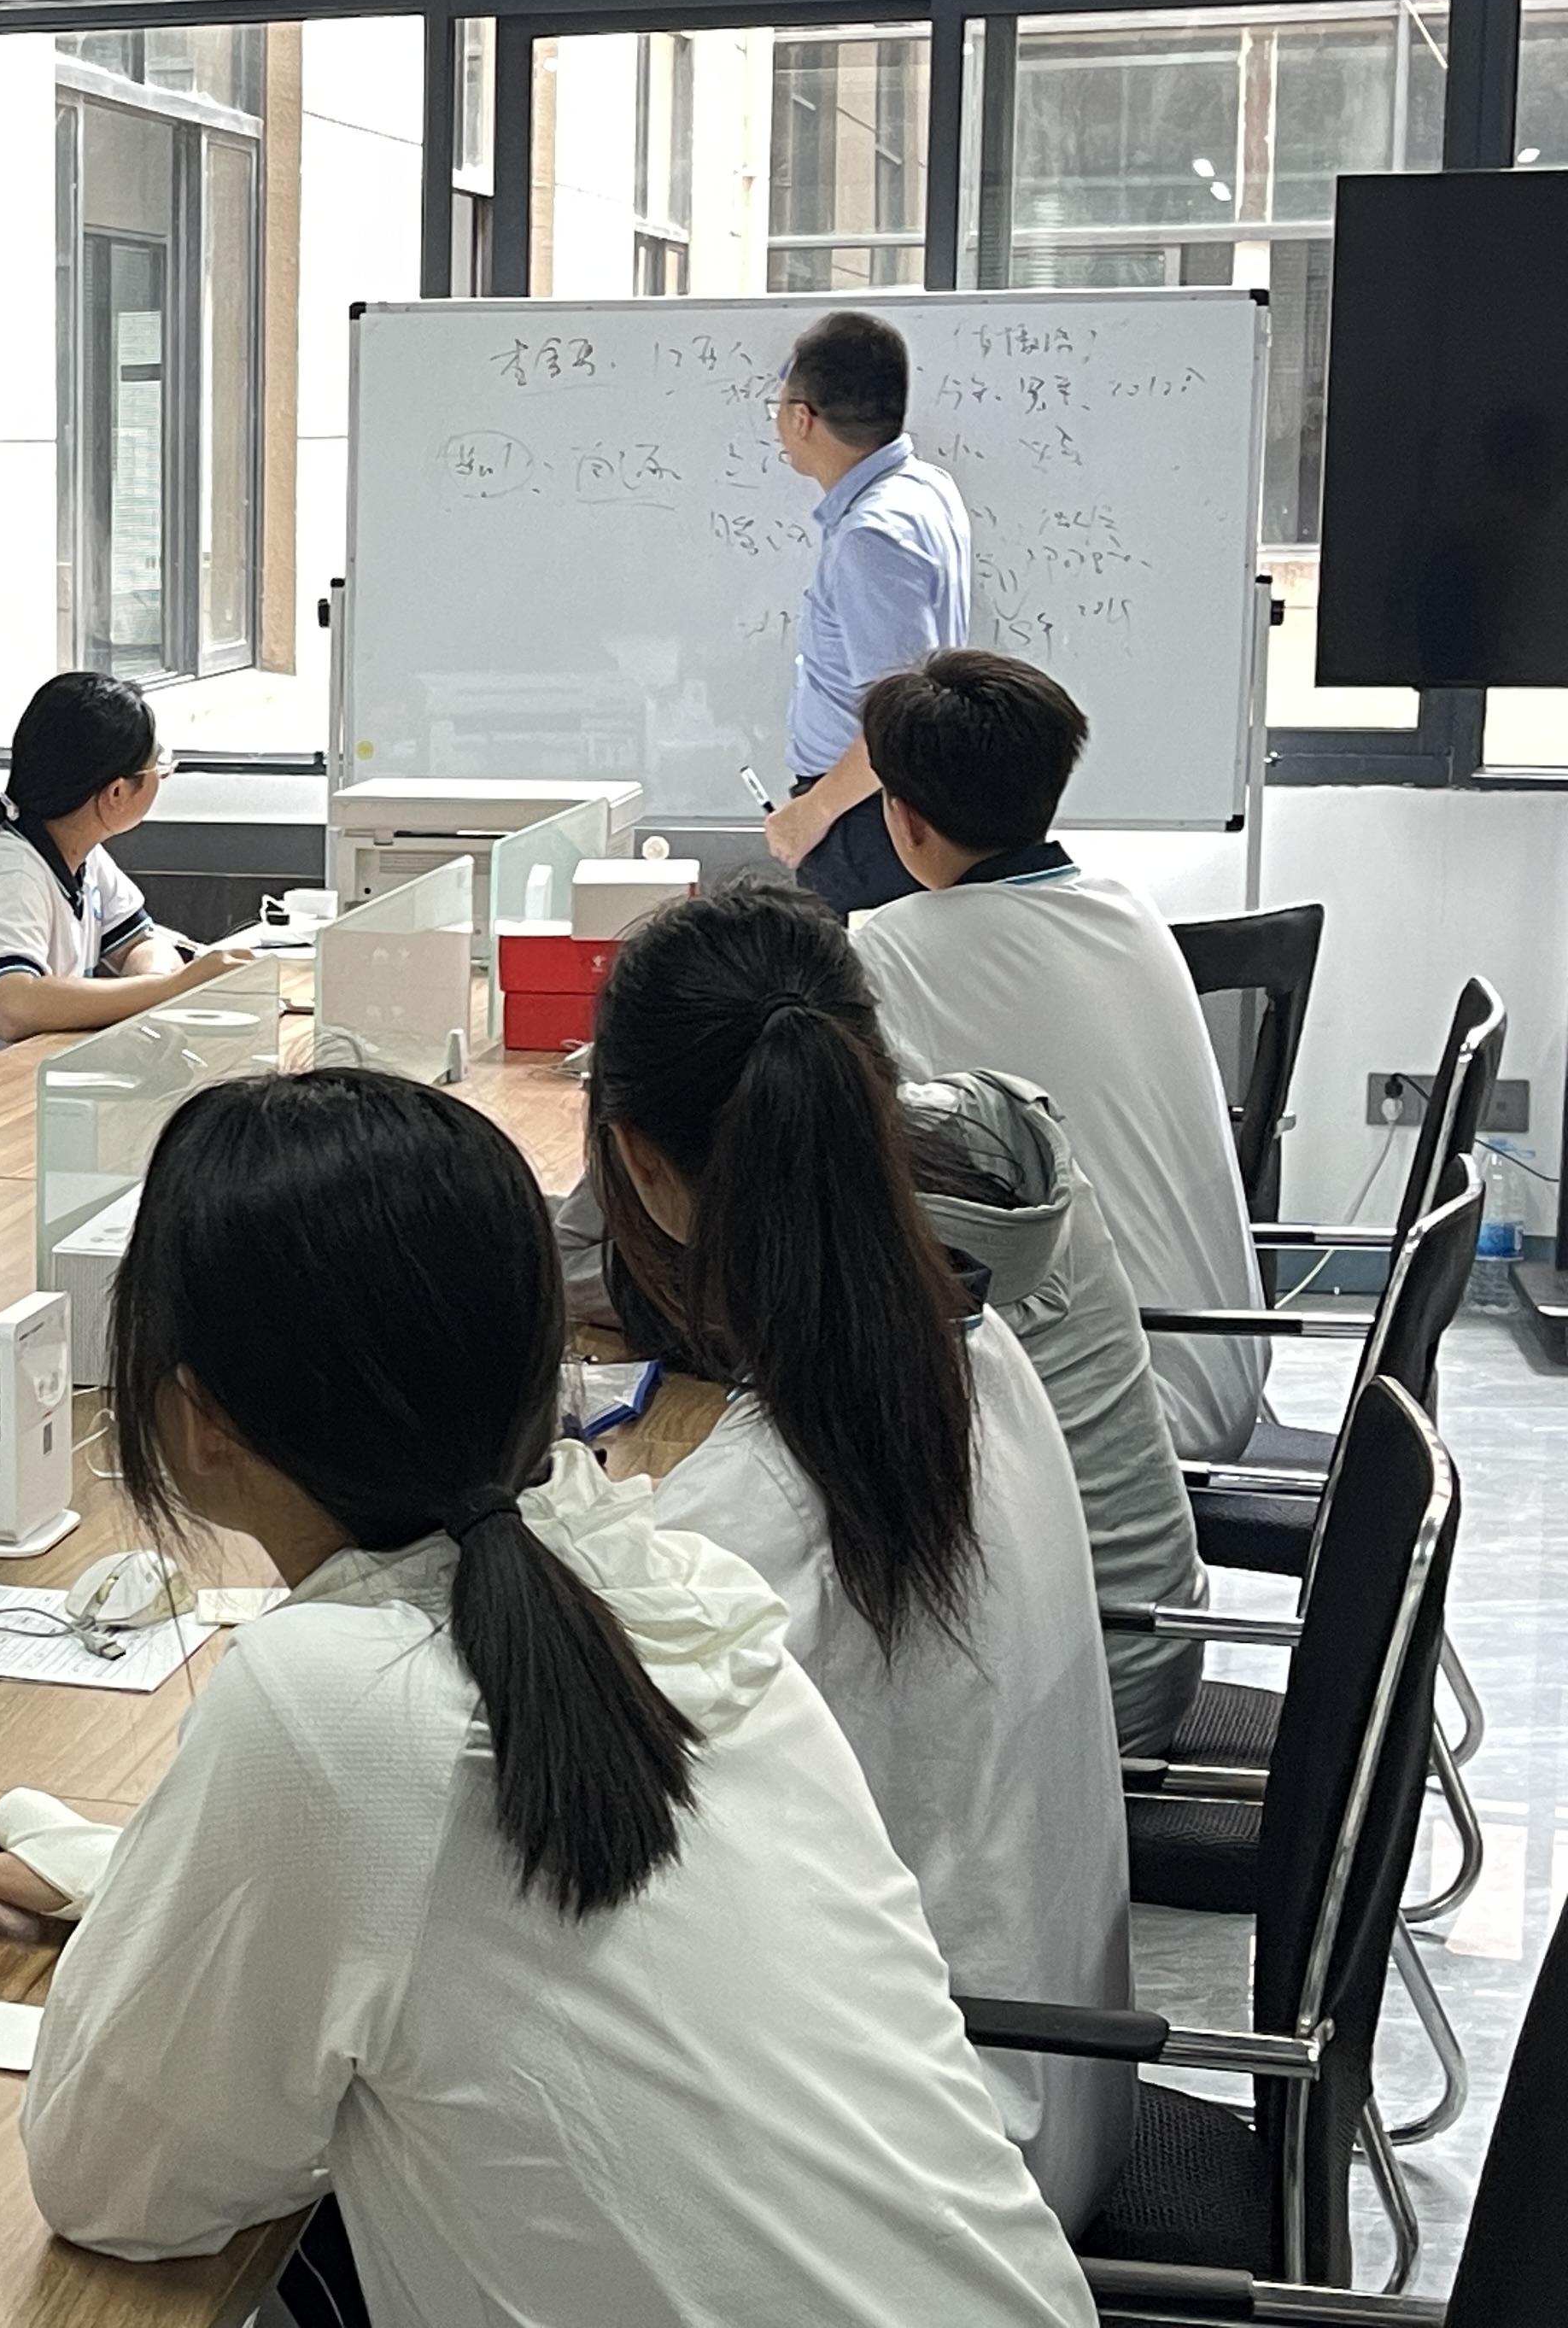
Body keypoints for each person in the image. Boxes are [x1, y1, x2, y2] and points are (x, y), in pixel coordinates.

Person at [0, 1070, 1097, 2328]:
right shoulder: (673, 1589)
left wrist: (166, 1922)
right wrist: (157, 1882)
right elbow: (492, 1903)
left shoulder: (323, 1705)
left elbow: (118, 2182)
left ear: (199, 1417)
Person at [585, 879, 1131, 2229]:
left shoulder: (753, 1519)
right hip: (1059, 2084)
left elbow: (551, 1861)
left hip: (942, 2188)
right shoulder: (977, 1360)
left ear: (641, 1165)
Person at [559, 1062, 1208, 1758]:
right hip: (1090, 1673)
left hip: (1076, 1695)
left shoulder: (755, 1496)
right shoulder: (977, 1326)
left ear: (635, 1149)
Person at [851, 649, 1267, 1462]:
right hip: (1226, 1361)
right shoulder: (1127, 910)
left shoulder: (897, 947)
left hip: (1119, 1418)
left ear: (903, 818)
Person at [0, 670, 249, 1050]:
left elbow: (141, 943)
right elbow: (11, 1006)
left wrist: (153, 986)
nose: (163, 775)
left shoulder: (79, 851)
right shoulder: (10, 874)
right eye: (159, 765)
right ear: (117, 793)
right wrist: (173, 988)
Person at [763, 310, 974, 914]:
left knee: (860, 973)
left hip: (866, 819)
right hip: (883, 807)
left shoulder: (871, 537)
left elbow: (901, 722)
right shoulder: (924, 486)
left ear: (802, 419)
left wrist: (813, 813)